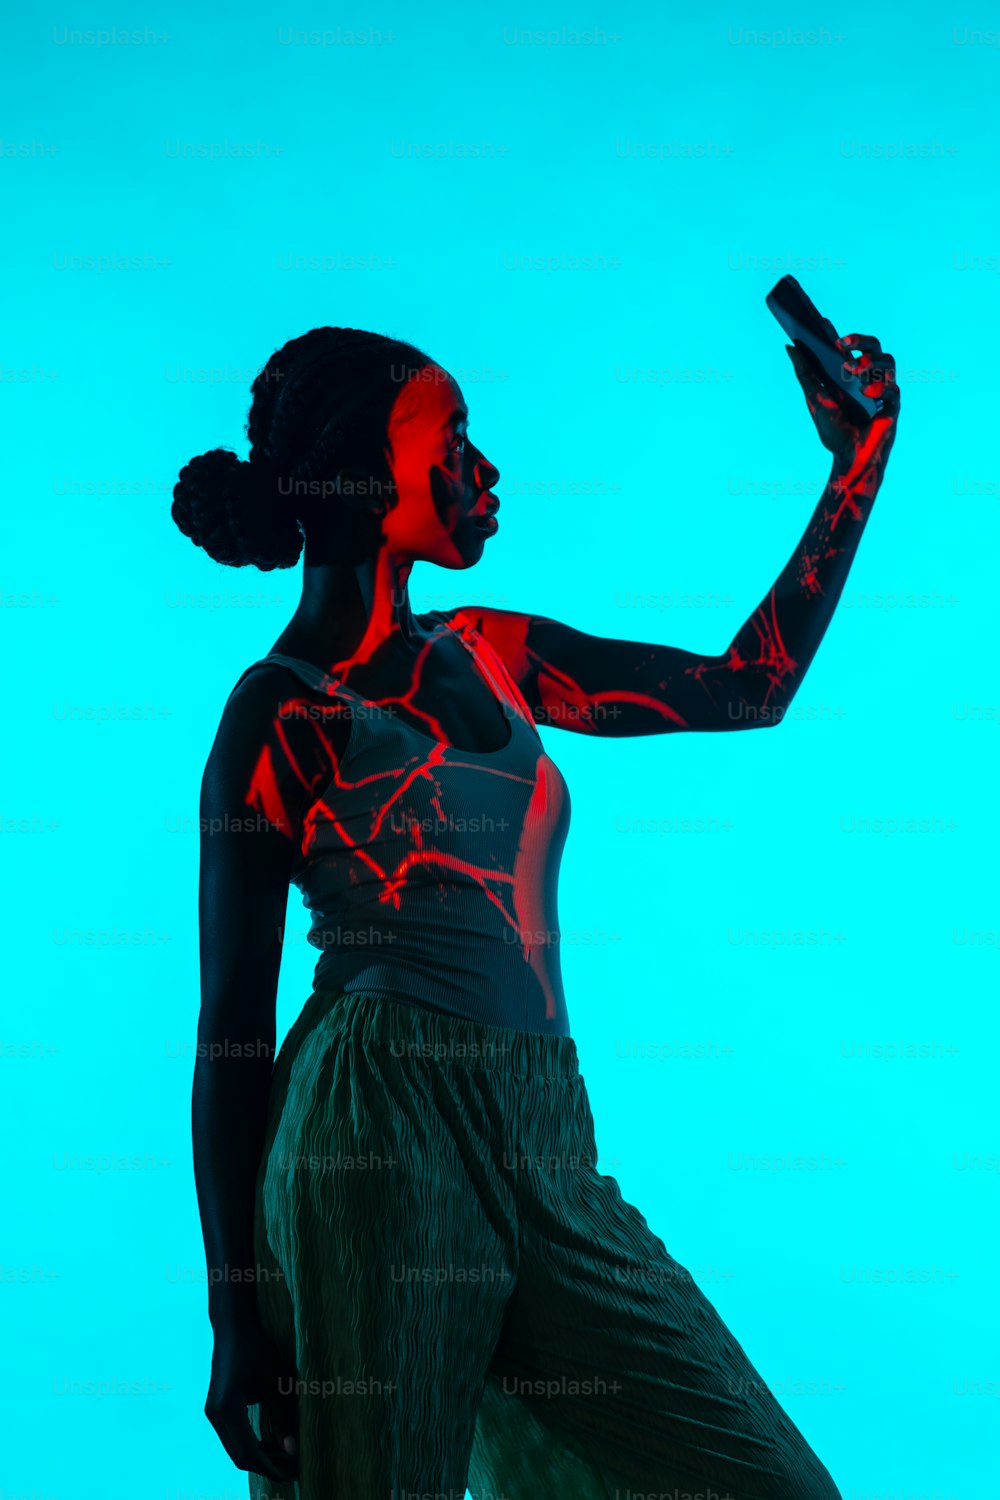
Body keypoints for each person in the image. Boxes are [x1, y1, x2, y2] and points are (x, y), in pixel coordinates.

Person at [179, 324, 899, 1499]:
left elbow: (747, 687)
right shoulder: (280, 713)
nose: (486, 468)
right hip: (376, 1124)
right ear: (365, 470)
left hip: (543, 1126)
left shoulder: (492, 650)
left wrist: (856, 461)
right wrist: (235, 1318)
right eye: (453, 437)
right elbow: (229, 1032)